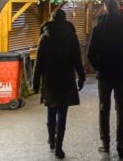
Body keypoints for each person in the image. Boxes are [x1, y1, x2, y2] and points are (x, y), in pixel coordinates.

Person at [87, 0, 123, 159]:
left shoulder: (98, 28)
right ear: (118, 10)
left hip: (104, 75)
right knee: (122, 109)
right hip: (122, 74)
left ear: (105, 9)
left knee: (104, 109)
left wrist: (99, 66)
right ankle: (120, 144)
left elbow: (90, 53)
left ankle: (105, 143)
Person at [33, 9, 86, 159]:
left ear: (52, 18)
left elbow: (39, 62)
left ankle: (51, 139)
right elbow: (77, 60)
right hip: (66, 78)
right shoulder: (71, 36)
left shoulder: (44, 36)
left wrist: (35, 83)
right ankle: (59, 147)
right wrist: (81, 77)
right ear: (65, 19)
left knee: (51, 109)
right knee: (62, 113)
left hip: (49, 79)